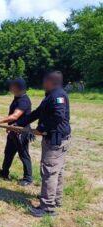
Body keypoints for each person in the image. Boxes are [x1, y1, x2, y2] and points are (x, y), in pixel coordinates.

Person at [17, 71, 71, 217]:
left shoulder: (58, 96)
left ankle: (47, 207)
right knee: (56, 171)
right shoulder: (50, 96)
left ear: (50, 82)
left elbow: (58, 116)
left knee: (49, 172)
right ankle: (55, 199)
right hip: (55, 138)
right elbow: (36, 113)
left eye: (44, 81)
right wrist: (18, 124)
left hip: (55, 139)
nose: (42, 84)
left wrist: (41, 128)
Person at [0, 78, 33, 186]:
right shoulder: (17, 98)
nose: (9, 87)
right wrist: (9, 127)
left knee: (24, 154)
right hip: (13, 131)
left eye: (12, 85)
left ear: (17, 87)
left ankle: (28, 178)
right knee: (8, 153)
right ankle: (4, 173)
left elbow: (15, 116)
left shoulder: (24, 100)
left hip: (21, 133)